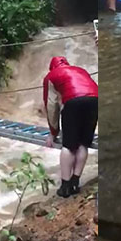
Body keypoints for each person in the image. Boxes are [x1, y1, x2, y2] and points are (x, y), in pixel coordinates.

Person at [42, 56, 98, 197]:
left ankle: (65, 186)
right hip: (95, 100)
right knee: (83, 143)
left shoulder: (51, 76)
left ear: (52, 67)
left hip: (73, 101)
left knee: (69, 146)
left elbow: (51, 105)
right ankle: (75, 182)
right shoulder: (80, 70)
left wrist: (53, 132)